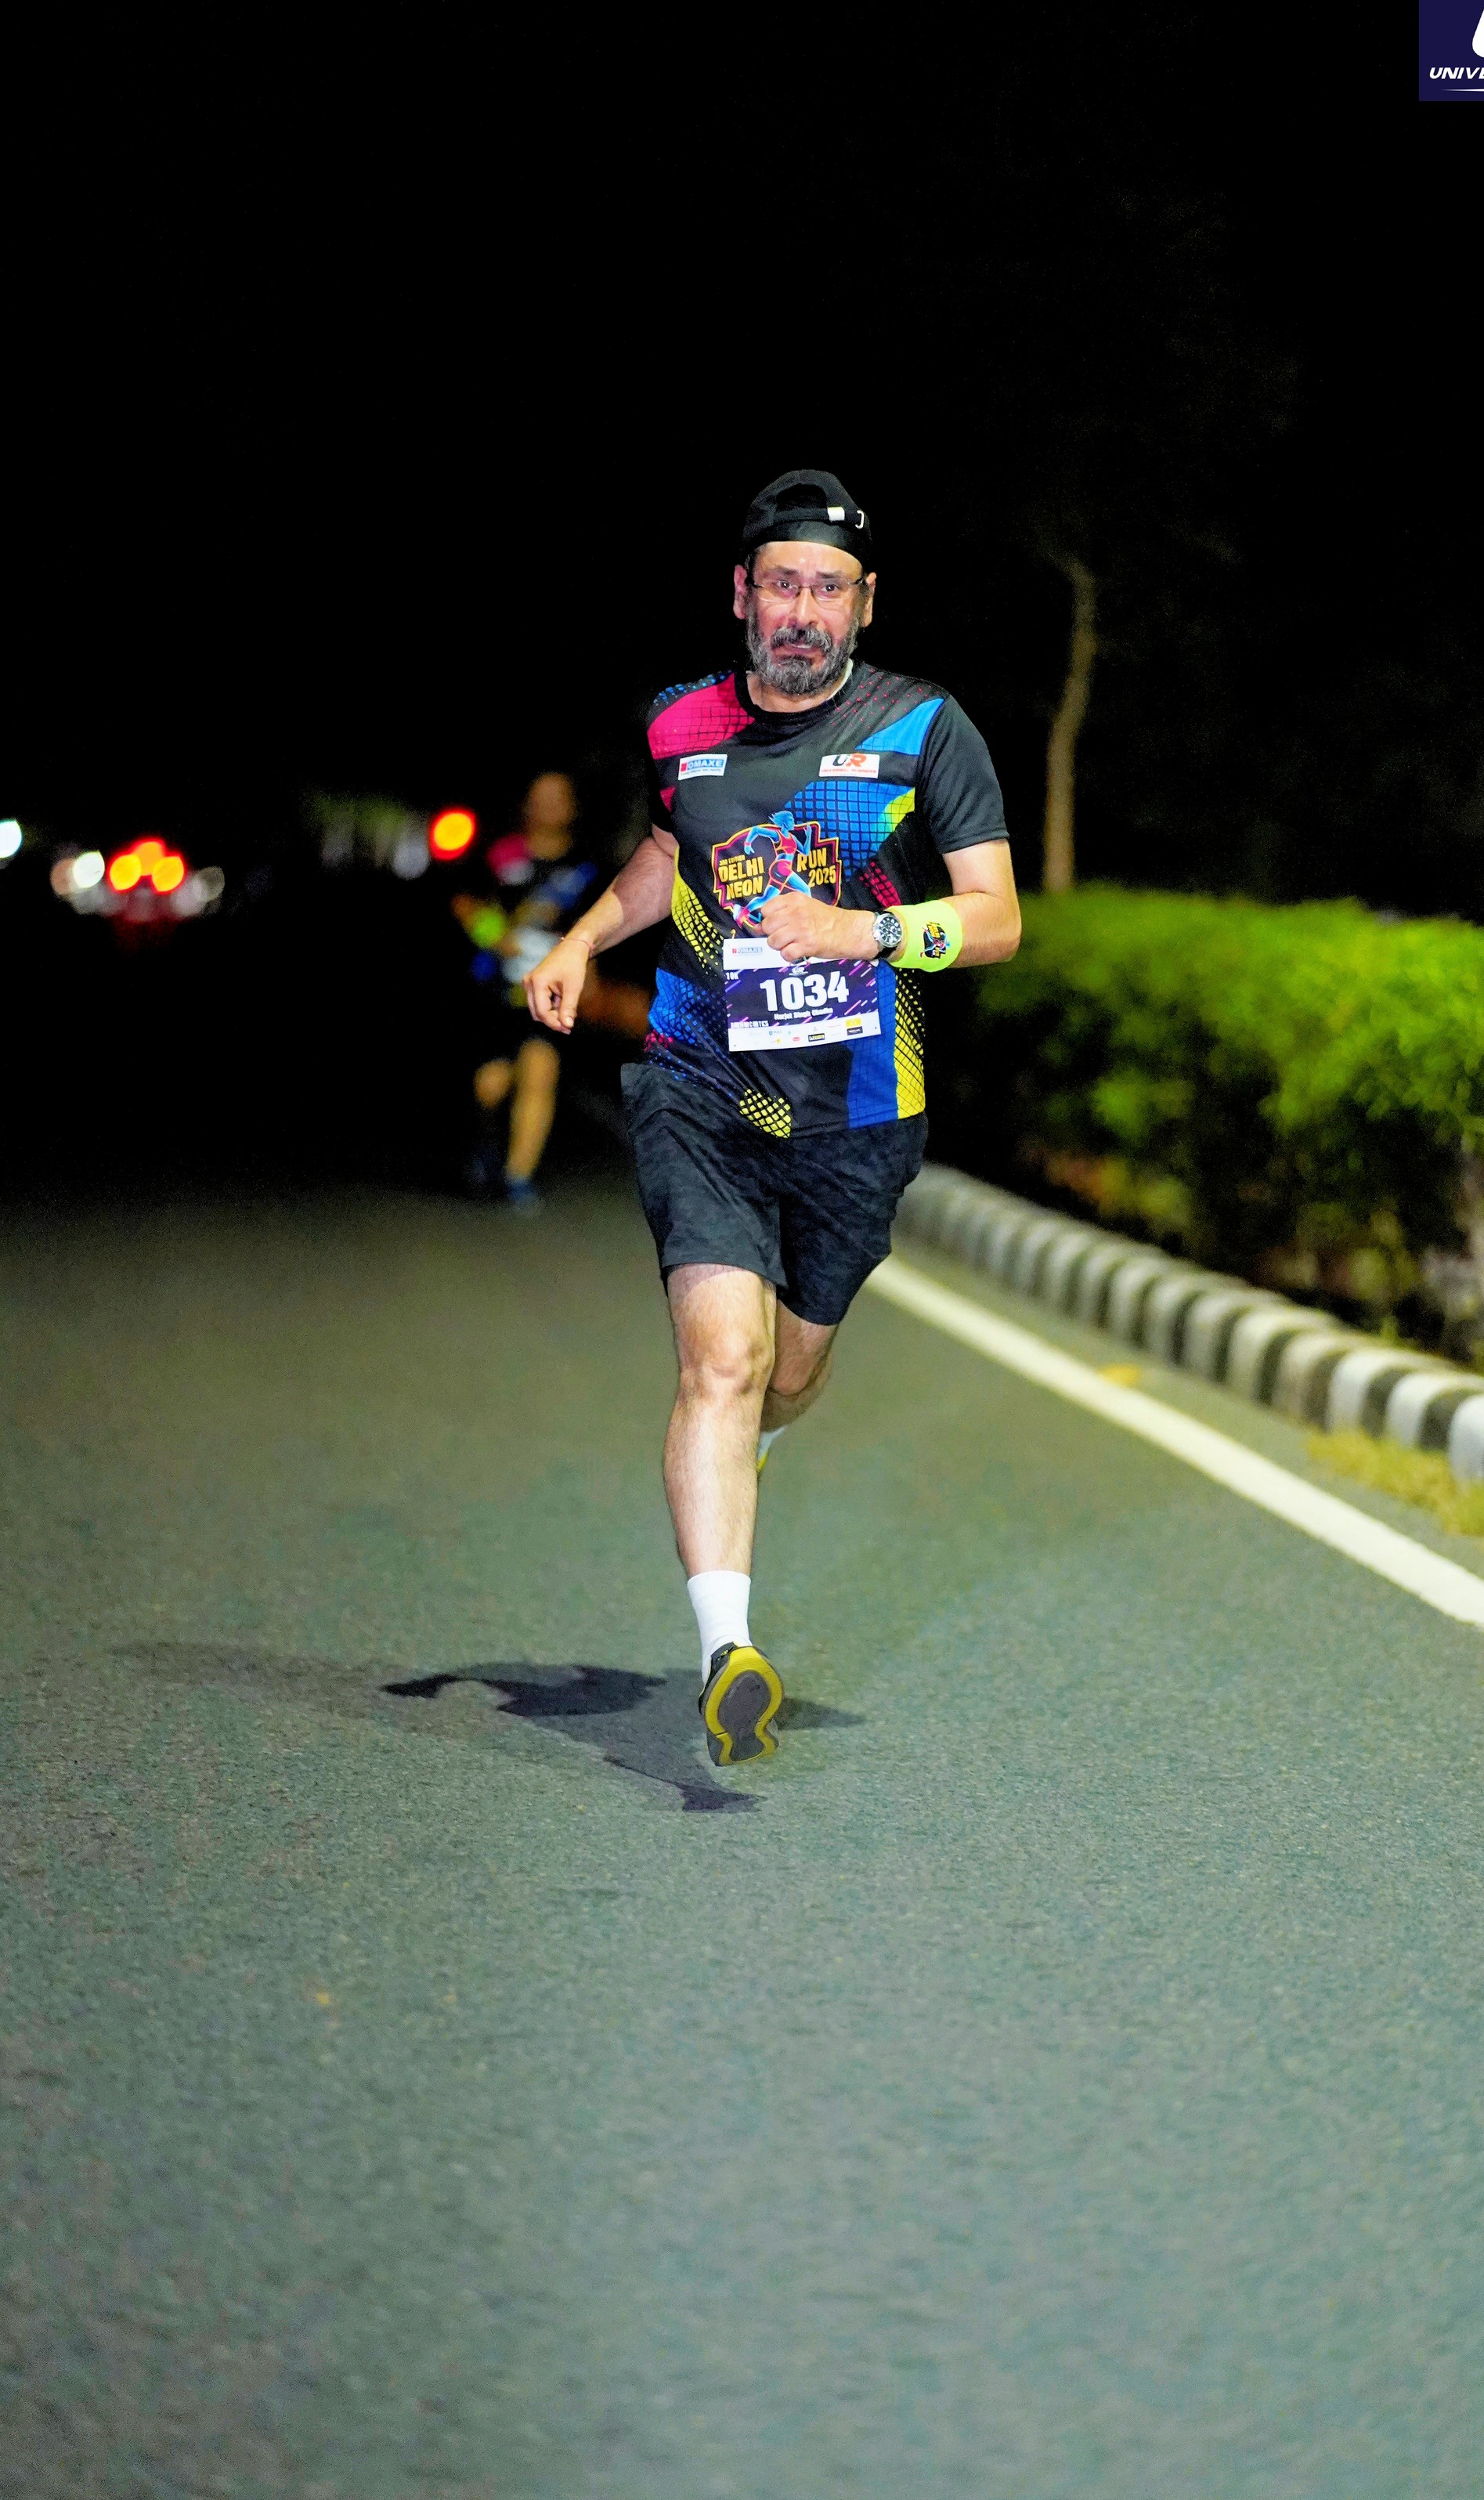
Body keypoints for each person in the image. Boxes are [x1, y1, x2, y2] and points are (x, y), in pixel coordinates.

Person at [527, 471, 1020, 1764]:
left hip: (860, 1106)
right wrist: (583, 938)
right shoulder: (679, 721)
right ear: (742, 594)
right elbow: (668, 852)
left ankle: (753, 1451)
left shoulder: (923, 729)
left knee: (786, 1376)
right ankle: (729, 1653)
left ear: (865, 603)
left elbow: (996, 920)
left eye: (829, 589)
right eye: (783, 584)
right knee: (721, 1363)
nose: (804, 610)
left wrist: (866, 932)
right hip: (699, 1084)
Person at [453, 771, 597, 1211]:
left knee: (540, 1070)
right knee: (491, 1084)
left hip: (552, 992)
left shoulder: (587, 866)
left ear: (573, 807)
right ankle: (483, 1148)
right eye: (540, 797)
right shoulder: (503, 853)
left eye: (559, 798)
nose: (549, 806)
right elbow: (465, 902)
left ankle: (518, 1177)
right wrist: (497, 935)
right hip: (497, 988)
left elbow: (603, 923)